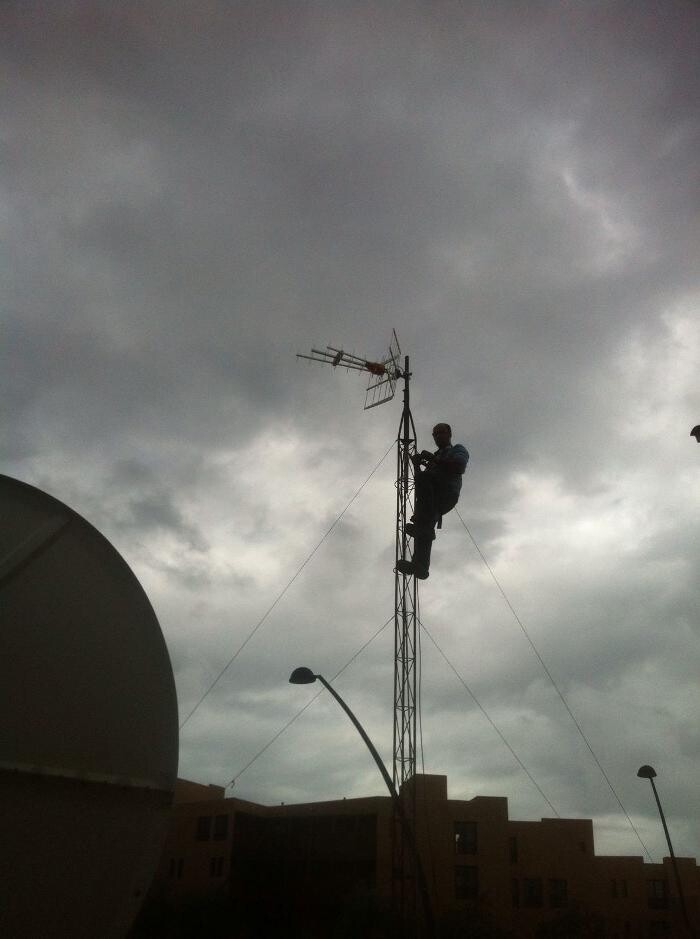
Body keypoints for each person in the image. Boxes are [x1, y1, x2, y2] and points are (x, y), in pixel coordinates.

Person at [396, 423, 469, 580]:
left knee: (424, 525)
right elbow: (421, 483)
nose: (437, 437)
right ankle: (420, 566)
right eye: (434, 434)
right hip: (432, 498)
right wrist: (416, 466)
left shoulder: (457, 449)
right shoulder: (436, 457)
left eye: (440, 433)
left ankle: (422, 529)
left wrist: (433, 459)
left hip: (447, 493)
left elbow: (459, 467)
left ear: (449, 433)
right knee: (424, 526)